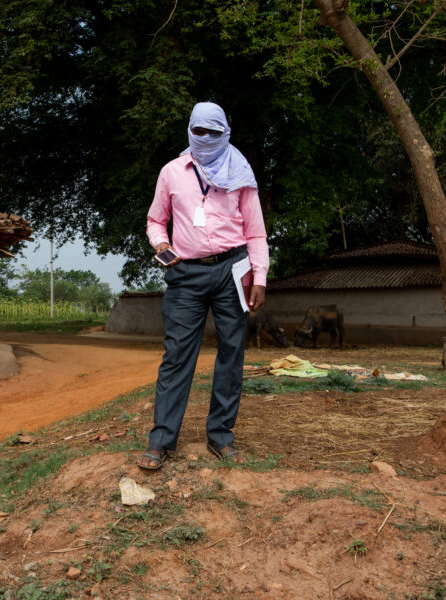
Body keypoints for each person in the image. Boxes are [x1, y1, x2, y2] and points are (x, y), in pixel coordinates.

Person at [137, 101, 269, 471]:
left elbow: (256, 232)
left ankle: (221, 437)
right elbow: (154, 220)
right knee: (177, 355)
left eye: (214, 132)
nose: (206, 138)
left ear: (225, 132)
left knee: (231, 354)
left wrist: (259, 277)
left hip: (232, 271)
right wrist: (160, 245)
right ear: (190, 131)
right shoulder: (172, 172)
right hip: (185, 275)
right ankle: (161, 441)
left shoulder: (241, 174)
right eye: (199, 131)